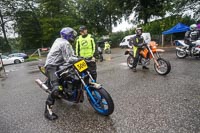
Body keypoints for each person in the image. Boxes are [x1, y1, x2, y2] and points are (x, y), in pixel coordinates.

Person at [44, 27, 77, 120]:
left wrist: (80, 57)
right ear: (68, 35)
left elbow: (71, 56)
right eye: (72, 34)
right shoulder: (64, 43)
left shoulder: (62, 41)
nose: (74, 36)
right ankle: (47, 110)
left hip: (60, 64)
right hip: (52, 66)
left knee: (71, 75)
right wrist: (82, 58)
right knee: (56, 89)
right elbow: (69, 59)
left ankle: (70, 91)